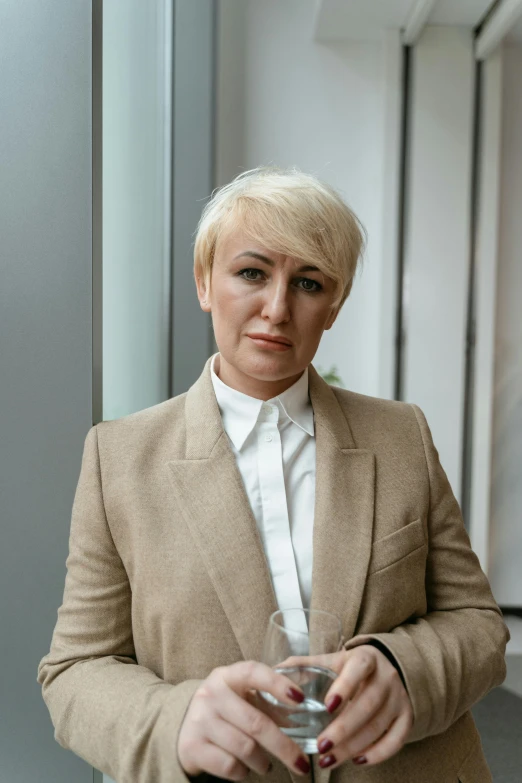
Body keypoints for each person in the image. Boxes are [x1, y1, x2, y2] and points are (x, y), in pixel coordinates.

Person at [38, 167, 509, 783]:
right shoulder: (118, 459)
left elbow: (477, 624)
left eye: (308, 282)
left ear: (333, 306)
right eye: (252, 273)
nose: (278, 308)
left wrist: (404, 673)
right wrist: (175, 719)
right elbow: (75, 670)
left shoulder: (402, 438)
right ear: (205, 282)